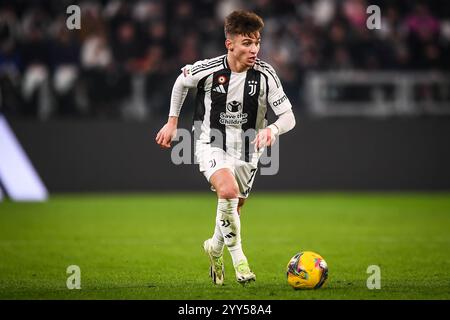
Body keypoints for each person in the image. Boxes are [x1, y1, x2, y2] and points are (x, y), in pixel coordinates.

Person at [155, 10, 296, 285]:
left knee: (233, 207)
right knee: (228, 191)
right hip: (211, 144)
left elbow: (289, 116)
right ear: (229, 44)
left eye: (257, 42)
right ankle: (240, 261)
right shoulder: (209, 69)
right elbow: (181, 81)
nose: (254, 49)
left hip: (248, 151)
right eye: (247, 42)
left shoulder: (266, 74)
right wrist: (172, 122)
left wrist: (272, 129)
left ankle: (215, 248)